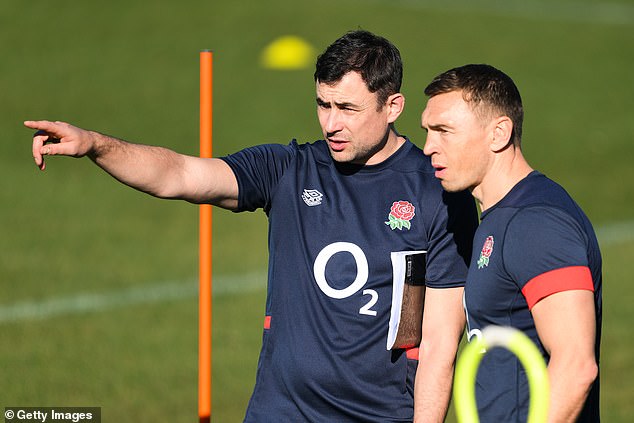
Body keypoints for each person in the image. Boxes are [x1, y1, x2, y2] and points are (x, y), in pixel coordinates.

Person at [26, 30, 478, 422]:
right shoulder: (289, 168)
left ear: (392, 105)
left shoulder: (438, 193)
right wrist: (95, 144)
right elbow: (179, 175)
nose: (331, 123)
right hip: (279, 412)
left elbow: (438, 342)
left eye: (348, 108)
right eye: (323, 104)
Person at [421, 64, 602, 422]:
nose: (428, 147)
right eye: (427, 131)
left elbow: (577, 365)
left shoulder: (535, 224)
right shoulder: (501, 218)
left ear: (499, 133)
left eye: (444, 131)